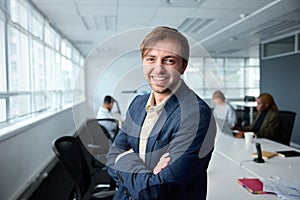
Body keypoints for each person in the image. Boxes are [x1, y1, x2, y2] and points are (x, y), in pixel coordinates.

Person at [106, 26, 216, 200]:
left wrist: (124, 160)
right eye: (151, 59)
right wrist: (147, 174)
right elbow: (111, 157)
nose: (158, 69)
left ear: (183, 66)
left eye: (169, 60)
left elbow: (155, 193)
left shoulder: (196, 115)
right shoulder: (137, 104)